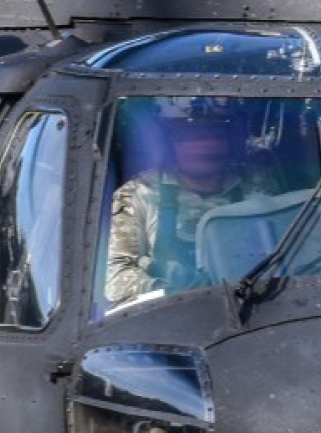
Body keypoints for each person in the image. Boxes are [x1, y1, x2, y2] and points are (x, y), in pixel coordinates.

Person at [103, 98, 274, 307]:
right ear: (169, 142)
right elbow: (114, 277)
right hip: (172, 316)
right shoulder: (138, 195)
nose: (205, 145)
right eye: (191, 136)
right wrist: (168, 291)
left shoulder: (256, 188)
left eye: (216, 134)